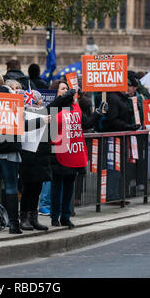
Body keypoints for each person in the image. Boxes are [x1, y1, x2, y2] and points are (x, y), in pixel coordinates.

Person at [0, 76, 48, 234]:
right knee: (11, 186)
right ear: (3, 83)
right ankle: (13, 225)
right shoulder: (12, 98)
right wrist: (42, 121)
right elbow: (22, 125)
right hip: (9, 149)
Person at [48, 79, 102, 228]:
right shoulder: (54, 107)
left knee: (70, 186)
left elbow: (86, 124)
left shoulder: (74, 106)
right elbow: (52, 130)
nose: (66, 91)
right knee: (57, 187)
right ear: (56, 92)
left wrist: (98, 113)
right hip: (59, 150)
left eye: (67, 89)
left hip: (74, 151)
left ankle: (66, 216)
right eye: (62, 89)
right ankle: (55, 216)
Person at [19, 90, 50, 231]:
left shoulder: (45, 114)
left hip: (40, 155)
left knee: (37, 188)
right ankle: (24, 218)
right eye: (37, 100)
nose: (40, 102)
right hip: (27, 155)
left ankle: (33, 217)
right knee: (27, 189)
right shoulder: (23, 114)